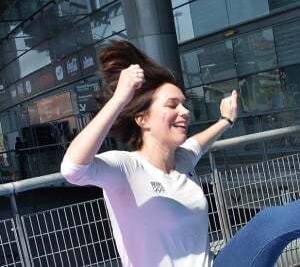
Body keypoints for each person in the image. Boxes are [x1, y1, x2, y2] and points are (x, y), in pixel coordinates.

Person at [61, 40, 300, 267]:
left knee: (272, 223)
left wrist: (226, 120)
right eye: (172, 105)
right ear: (142, 119)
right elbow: (73, 169)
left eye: (184, 104)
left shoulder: (182, 160)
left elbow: (199, 143)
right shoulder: (126, 168)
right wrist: (120, 99)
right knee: (271, 223)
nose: (185, 111)